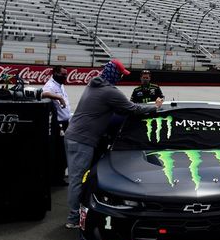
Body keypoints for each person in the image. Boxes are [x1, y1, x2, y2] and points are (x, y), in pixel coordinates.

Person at [63, 59, 161, 229]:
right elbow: (132, 109)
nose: (121, 77)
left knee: (79, 178)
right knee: (77, 180)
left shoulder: (93, 84)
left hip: (74, 136)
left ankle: (79, 212)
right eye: (120, 74)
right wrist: (155, 107)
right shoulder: (109, 92)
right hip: (82, 139)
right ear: (114, 74)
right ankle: (73, 219)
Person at [41, 66, 71, 186]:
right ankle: (56, 178)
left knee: (64, 152)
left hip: (65, 122)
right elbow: (43, 93)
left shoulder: (60, 85)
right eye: (63, 74)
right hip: (58, 125)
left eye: (66, 74)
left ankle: (59, 176)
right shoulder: (50, 85)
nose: (65, 77)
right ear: (55, 73)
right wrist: (58, 97)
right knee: (60, 152)